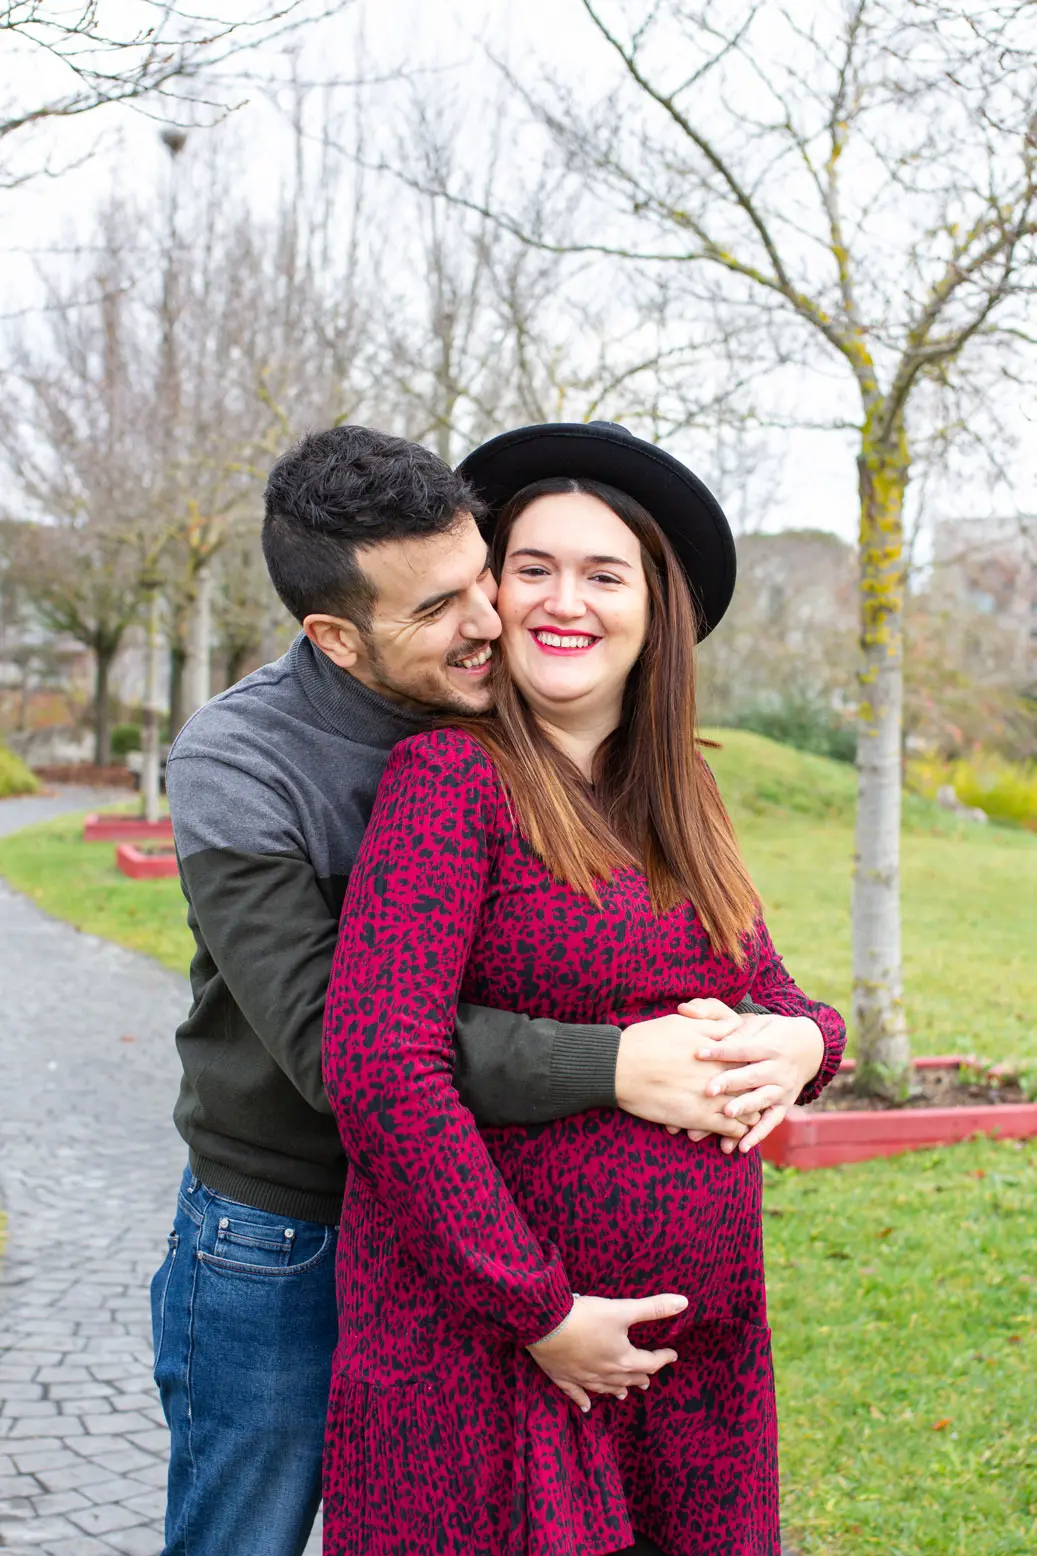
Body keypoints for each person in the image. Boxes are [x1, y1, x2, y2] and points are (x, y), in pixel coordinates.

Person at [152, 426, 775, 1556]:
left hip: (467, 1241)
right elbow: (344, 1046)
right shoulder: (241, 762)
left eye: (482, 573)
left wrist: (798, 1039)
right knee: (244, 1531)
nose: (491, 619)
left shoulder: (509, 705)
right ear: (336, 637)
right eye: (439, 606)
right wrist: (618, 1064)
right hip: (284, 1219)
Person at [321, 421, 846, 1556]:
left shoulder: (681, 789)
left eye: (603, 574)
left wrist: (808, 1043)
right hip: (499, 1363)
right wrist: (539, 1310)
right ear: (491, 595)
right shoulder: (450, 780)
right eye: (533, 568)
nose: (565, 601)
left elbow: (769, 989)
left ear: (654, 608)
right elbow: (378, 1068)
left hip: (691, 1375)